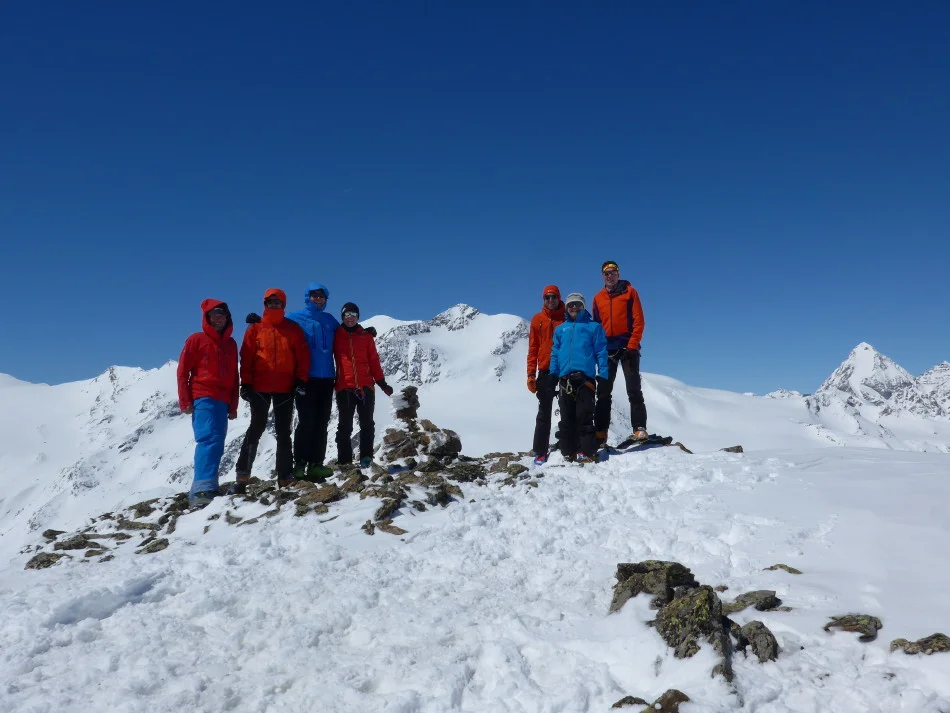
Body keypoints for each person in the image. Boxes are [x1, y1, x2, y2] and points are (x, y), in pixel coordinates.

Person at [233, 288, 310, 491]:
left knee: (284, 432)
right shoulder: (255, 328)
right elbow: (247, 357)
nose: (274, 305)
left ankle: (284, 475)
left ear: (283, 305)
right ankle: (242, 475)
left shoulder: (292, 329)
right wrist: (246, 383)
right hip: (260, 387)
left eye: (278, 302)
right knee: (256, 428)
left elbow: (302, 355)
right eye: (270, 302)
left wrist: (301, 380)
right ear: (265, 304)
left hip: (286, 387)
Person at [177, 299, 239, 508]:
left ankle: (204, 488)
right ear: (207, 318)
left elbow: (234, 375)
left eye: (222, 315)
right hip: (203, 395)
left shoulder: (230, 344)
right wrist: (185, 400)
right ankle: (203, 490)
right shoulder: (196, 340)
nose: (218, 319)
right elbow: (183, 371)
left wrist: (233, 405)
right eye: (214, 316)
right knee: (208, 439)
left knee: (218, 442)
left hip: (222, 399)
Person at [286, 283, 340, 481]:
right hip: (305, 378)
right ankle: (300, 463)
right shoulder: (295, 317)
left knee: (322, 422)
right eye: (314, 295)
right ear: (307, 297)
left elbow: (346, 332)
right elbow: (277, 326)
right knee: (306, 421)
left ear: (326, 299)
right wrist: (259, 322)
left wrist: (363, 331)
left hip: (327, 379)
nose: (318, 299)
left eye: (321, 296)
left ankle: (316, 463)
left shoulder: (330, 321)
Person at [591, 260, 648, 444]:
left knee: (633, 389)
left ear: (618, 274)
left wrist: (632, 344)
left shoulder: (630, 292)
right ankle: (600, 433)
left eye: (613, 272)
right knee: (604, 392)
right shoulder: (598, 298)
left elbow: (639, 320)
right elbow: (597, 326)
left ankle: (639, 428)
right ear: (603, 276)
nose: (610, 276)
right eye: (606, 273)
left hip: (628, 347)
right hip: (608, 349)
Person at [333, 302, 394, 468]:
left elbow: (374, 361)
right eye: (347, 315)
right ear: (342, 317)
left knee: (367, 424)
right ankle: (344, 461)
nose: (350, 318)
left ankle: (366, 458)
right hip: (344, 386)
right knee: (345, 426)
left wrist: (382, 383)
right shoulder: (335, 335)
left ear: (358, 317)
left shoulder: (366, 337)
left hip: (366, 386)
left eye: (353, 315)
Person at [549, 293, 608, 463]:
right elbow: (555, 353)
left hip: (585, 378)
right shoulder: (560, 329)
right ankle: (569, 450)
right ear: (566, 307)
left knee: (584, 416)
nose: (574, 307)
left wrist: (603, 375)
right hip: (564, 379)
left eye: (577, 304)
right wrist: (554, 374)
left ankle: (586, 450)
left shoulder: (593, 327)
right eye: (570, 305)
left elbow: (601, 352)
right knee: (566, 418)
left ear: (583, 306)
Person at [526, 285, 565, 465]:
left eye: (554, 297)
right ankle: (540, 450)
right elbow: (533, 348)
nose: (550, 300)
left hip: (565, 368)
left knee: (567, 407)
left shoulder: (567, 317)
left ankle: (568, 444)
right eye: (547, 297)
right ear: (543, 300)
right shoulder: (537, 319)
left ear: (559, 298)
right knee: (544, 411)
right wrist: (530, 375)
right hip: (545, 369)